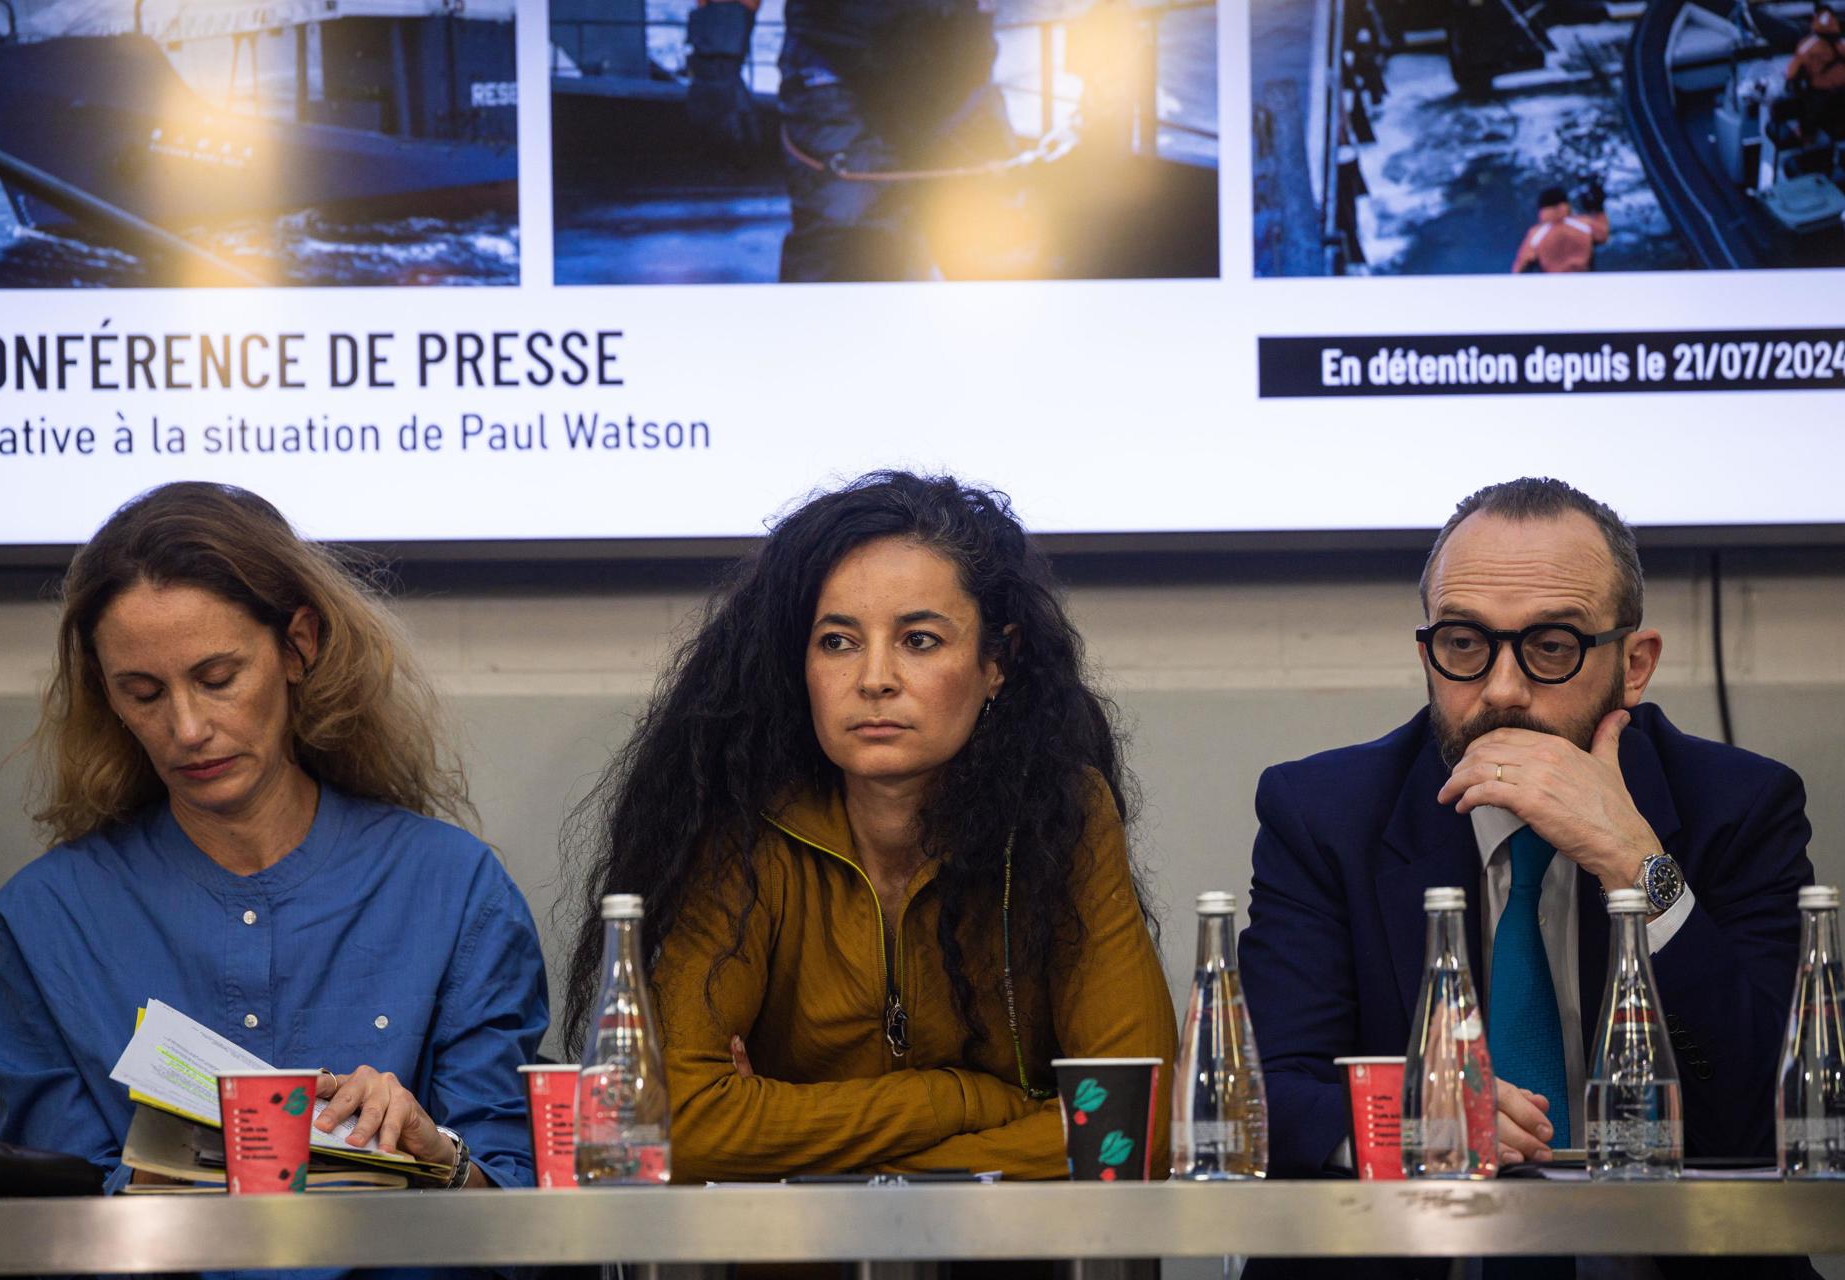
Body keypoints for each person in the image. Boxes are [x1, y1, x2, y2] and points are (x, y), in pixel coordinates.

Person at [1239, 477, 1815, 1278]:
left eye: (1551, 645)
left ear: (1635, 664)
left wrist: (1637, 864)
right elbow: (1262, 1096)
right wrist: (1406, 1122)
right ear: (1428, 654)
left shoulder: (1738, 809)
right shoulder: (1325, 816)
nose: (1502, 690)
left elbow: (1774, 1121)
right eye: (1465, 644)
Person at [558, 471, 1176, 1181]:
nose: (875, 678)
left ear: (995, 663)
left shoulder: (1065, 815)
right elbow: (666, 1125)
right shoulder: (741, 824)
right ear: (801, 665)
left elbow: (1130, 1130)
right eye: (838, 642)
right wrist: (959, 1097)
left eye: (918, 640)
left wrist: (789, 1135)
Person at [0, 482, 548, 1213]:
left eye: (218, 679)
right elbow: (48, 1216)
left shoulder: (453, 889)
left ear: (298, 645)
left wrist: (435, 1153)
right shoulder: (46, 919)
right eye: (144, 693)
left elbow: (521, 1215)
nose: (186, 729)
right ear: (107, 694)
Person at [687, 0, 1025, 281]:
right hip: (836, 72)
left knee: (995, 255)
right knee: (848, 256)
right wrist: (716, 65)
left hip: (959, 76)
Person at [1512, 184, 1608, 273]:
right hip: (1585, 281)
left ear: (1541, 209)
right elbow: (1603, 235)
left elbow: (1521, 266)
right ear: (1566, 204)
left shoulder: (1536, 233)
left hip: (1553, 286)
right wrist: (1599, 210)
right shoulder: (1584, 224)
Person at [1784, 4, 1845, 142]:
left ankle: (1808, 145)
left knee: (1807, 120)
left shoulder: (1807, 46)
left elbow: (1791, 74)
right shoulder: (1842, 44)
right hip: (1842, 98)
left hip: (1820, 100)